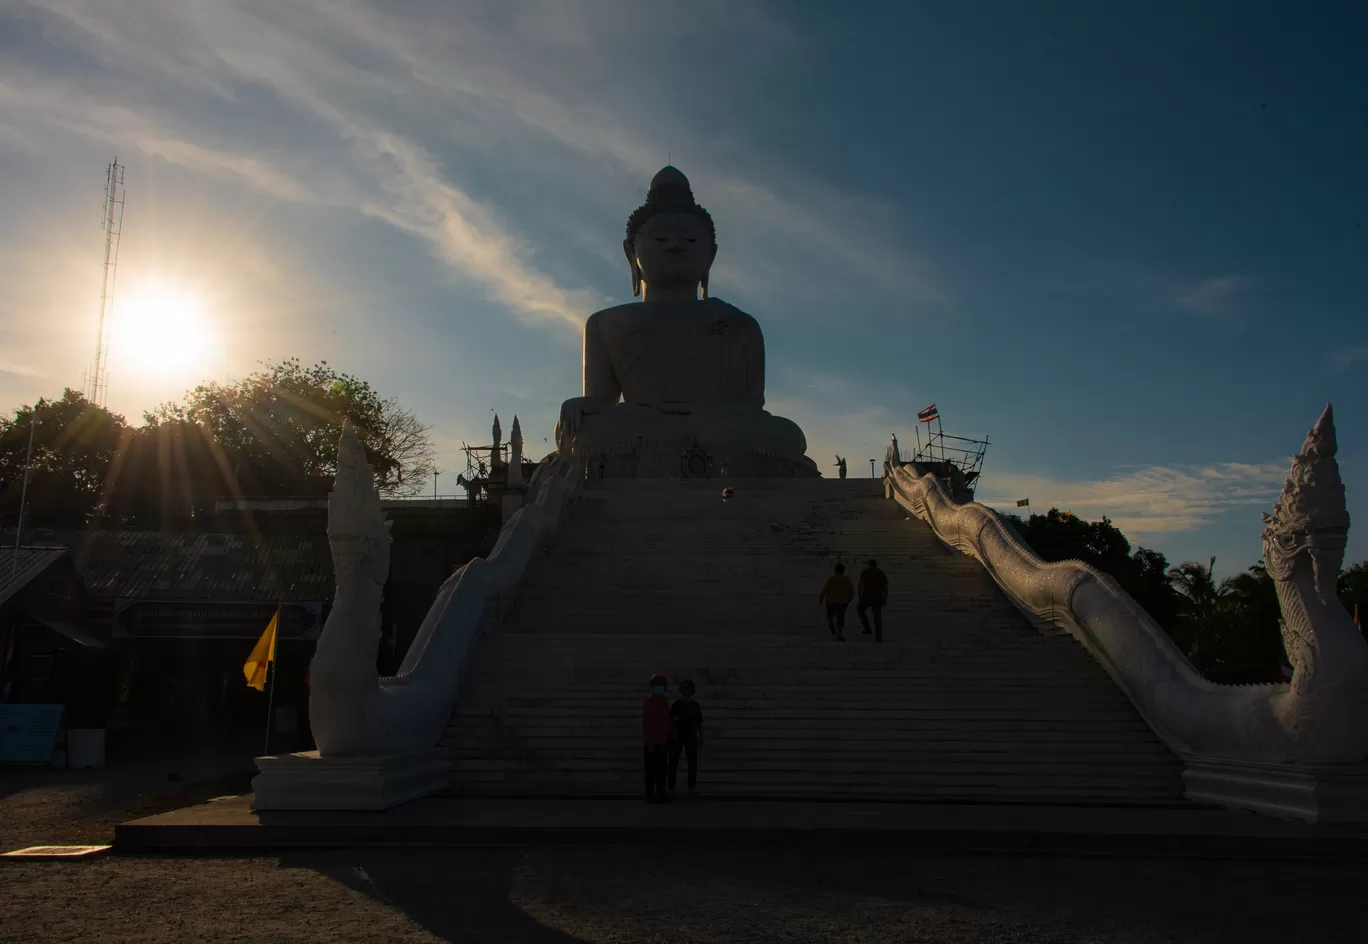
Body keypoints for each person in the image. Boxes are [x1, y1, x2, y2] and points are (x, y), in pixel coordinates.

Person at [668, 679, 704, 798]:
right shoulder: (677, 704)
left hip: (691, 737)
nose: (682, 689)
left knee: (692, 764)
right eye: (681, 687)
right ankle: (671, 788)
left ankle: (691, 789)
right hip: (677, 737)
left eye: (684, 687)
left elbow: (699, 723)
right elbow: (671, 721)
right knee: (673, 763)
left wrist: (701, 738)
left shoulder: (695, 706)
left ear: (690, 690)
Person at [642, 673, 671, 803]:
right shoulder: (649, 703)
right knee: (651, 771)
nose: (659, 687)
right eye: (657, 685)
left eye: (661, 685)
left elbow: (666, 722)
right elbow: (646, 724)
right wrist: (649, 743)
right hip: (652, 742)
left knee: (662, 770)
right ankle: (650, 794)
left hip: (663, 741)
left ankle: (661, 792)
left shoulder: (665, 702)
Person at [818, 563, 855, 640]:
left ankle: (831, 625)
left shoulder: (831, 579)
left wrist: (821, 599)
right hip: (842, 602)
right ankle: (840, 634)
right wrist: (850, 599)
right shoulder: (846, 579)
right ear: (843, 571)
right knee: (840, 617)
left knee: (830, 616)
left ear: (835, 571)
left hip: (831, 601)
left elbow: (825, 590)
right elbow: (851, 590)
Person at [857, 559, 890, 642]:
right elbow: (885, 588)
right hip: (877, 598)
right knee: (877, 618)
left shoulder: (865, 572)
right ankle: (878, 638)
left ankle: (867, 628)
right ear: (876, 564)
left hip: (867, 597)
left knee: (860, 610)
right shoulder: (880, 572)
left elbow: (861, 584)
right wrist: (885, 599)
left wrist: (860, 596)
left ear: (869, 564)